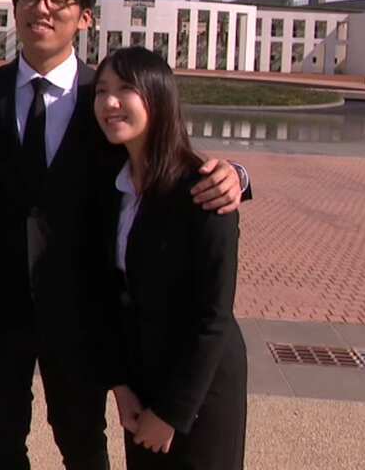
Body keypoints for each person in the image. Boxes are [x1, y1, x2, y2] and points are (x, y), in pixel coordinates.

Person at [0, 0, 248, 470]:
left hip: (81, 310)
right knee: (1, 443)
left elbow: (169, 157)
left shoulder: (109, 98)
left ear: (84, 17)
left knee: (84, 444)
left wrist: (238, 177)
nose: (39, 9)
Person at [93, 47, 247, 469]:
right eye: (101, 90)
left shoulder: (203, 191)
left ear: (158, 98)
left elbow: (213, 316)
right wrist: (122, 386)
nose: (109, 103)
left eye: (125, 90)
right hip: (142, 379)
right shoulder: (115, 188)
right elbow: (112, 294)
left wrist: (174, 414)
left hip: (200, 388)